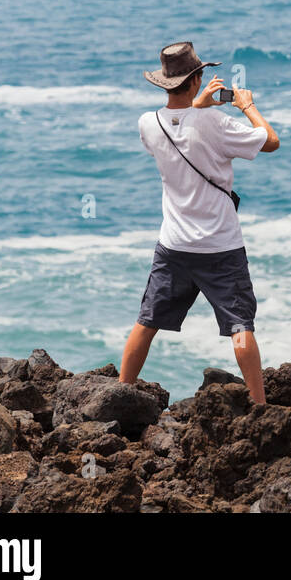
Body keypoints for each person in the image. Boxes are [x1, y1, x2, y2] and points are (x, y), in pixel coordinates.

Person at [119, 41, 280, 404]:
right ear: (195, 80)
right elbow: (270, 141)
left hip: (174, 246)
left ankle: (120, 392)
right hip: (220, 246)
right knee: (241, 326)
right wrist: (247, 105)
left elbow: (181, 128)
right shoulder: (216, 122)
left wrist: (196, 106)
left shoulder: (148, 123)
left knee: (147, 322)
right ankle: (259, 405)